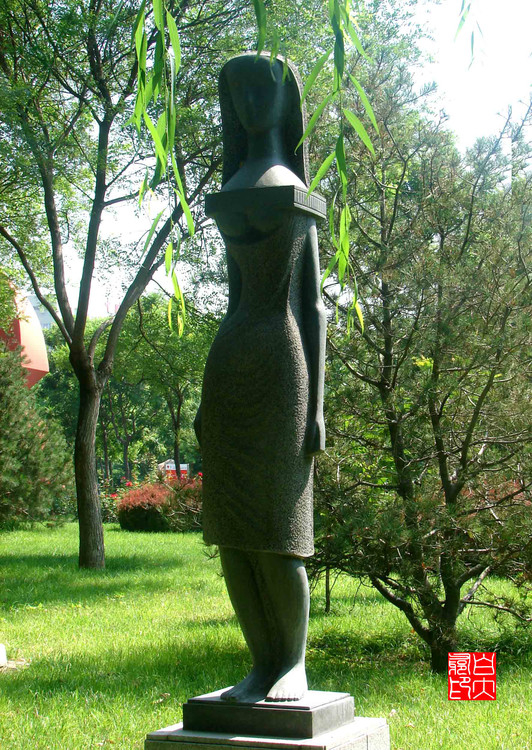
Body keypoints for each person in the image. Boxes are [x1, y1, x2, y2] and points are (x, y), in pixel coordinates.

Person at [194, 52, 326, 703]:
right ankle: (258, 664)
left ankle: (291, 662)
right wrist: (204, 398)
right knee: (233, 533)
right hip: (231, 361)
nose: (249, 101)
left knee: (280, 532)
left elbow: (314, 307)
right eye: (237, 90)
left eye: (261, 88)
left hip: (283, 363)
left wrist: (317, 407)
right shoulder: (234, 184)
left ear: (285, 98)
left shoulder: (295, 186)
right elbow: (231, 298)